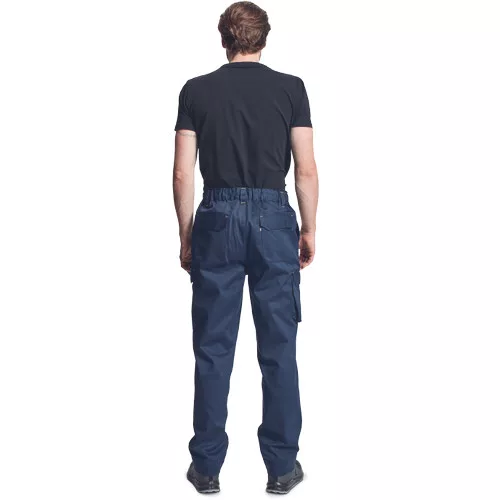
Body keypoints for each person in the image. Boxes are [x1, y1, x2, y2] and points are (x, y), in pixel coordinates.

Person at [173, 1, 318, 494]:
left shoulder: (196, 91)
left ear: (224, 39)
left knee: (213, 349)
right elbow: (305, 169)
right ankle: (281, 468)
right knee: (278, 348)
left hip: (216, 218)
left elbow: (182, 173)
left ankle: (206, 468)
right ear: (264, 39)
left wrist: (187, 233)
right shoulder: (291, 89)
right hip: (274, 220)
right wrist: (309, 228)